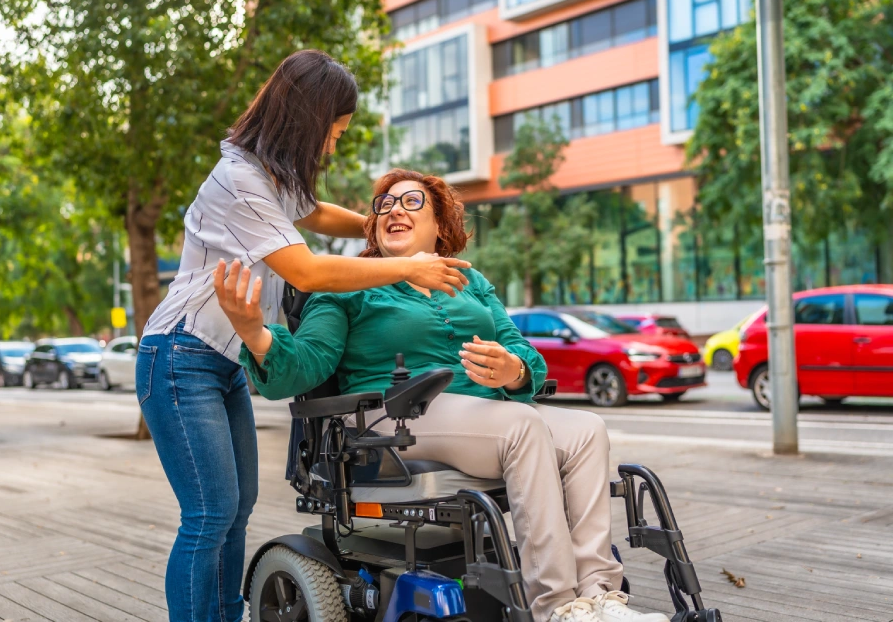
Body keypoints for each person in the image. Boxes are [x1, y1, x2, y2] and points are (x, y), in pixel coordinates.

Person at [218, 168, 672, 622]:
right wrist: (256, 335)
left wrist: (514, 370)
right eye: (384, 204)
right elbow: (307, 363)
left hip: (486, 413)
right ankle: (556, 606)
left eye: (412, 202)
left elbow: (520, 350)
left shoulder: (472, 282)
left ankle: (599, 594)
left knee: (587, 429)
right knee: (523, 425)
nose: (393, 208)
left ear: (440, 226)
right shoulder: (350, 285)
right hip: (392, 420)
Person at [136, 52, 472, 622]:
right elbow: (309, 271)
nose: (333, 146)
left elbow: (316, 214)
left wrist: (386, 221)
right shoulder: (240, 181)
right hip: (178, 356)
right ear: (309, 118)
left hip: (222, 361)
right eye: (334, 132)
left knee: (236, 509)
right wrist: (406, 265)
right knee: (209, 514)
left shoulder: (271, 175)